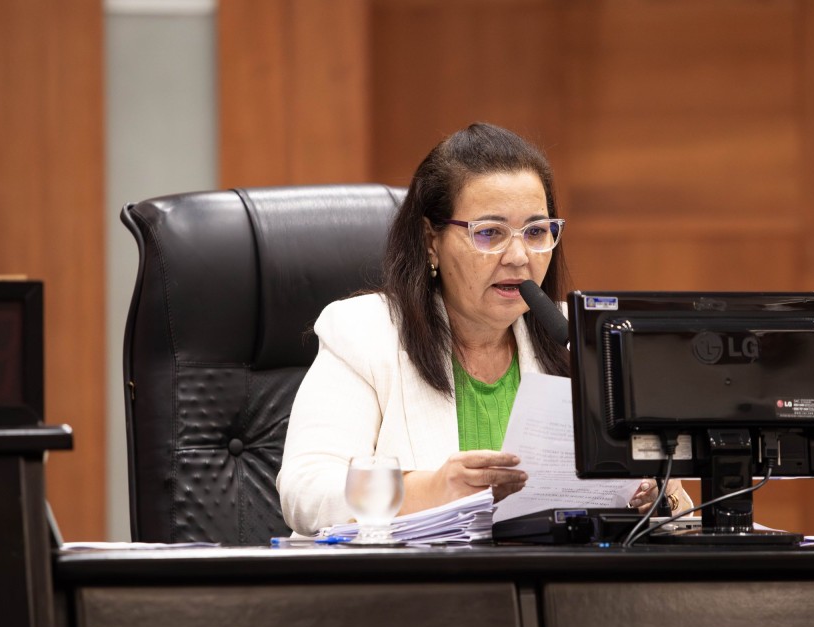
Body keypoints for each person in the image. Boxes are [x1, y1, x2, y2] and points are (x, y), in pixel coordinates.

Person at [277, 122, 690, 535]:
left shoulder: (580, 338)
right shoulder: (365, 332)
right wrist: (432, 489)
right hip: (415, 575)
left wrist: (658, 495)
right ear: (431, 241)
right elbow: (306, 492)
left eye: (535, 232)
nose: (519, 256)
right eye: (490, 233)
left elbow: (672, 501)